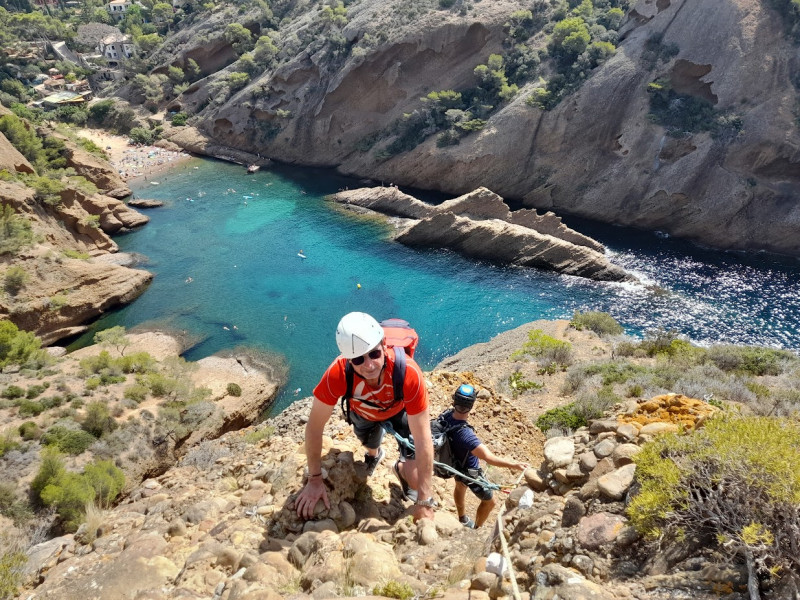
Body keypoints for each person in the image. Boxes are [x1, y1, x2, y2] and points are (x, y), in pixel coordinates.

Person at [294, 312, 436, 522]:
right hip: (364, 414)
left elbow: (423, 437)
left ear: (384, 344)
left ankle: (400, 469)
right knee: (370, 443)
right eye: (359, 359)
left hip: (399, 411)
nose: (369, 365)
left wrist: (424, 500)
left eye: (374, 354)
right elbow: (315, 427)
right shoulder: (338, 373)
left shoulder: (409, 373)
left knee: (417, 480)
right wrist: (314, 479)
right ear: (348, 359)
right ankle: (374, 454)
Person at [441, 384, 528, 528]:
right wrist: (514, 465)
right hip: (470, 471)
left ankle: (462, 517)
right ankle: (477, 528)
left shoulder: (445, 416)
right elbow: (489, 458)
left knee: (460, 486)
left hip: (454, 463)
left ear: (454, 401)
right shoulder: (466, 435)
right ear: (471, 406)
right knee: (490, 502)